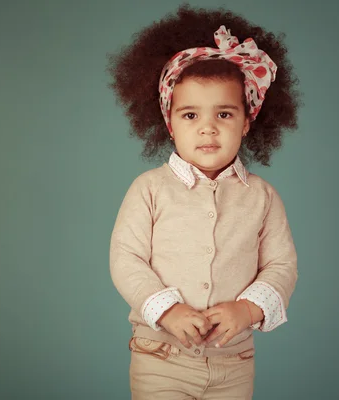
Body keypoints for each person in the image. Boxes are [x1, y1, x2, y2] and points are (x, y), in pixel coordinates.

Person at [108, 4, 301, 399]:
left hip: (234, 364)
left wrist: (247, 309)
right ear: (169, 122)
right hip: (160, 357)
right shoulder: (149, 189)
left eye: (225, 114)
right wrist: (167, 310)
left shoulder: (262, 197)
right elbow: (126, 258)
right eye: (191, 115)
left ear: (247, 121)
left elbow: (281, 265)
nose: (208, 128)